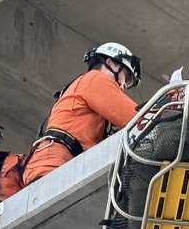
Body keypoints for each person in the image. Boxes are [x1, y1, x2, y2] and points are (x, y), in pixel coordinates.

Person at [23, 42, 141, 185]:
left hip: (57, 160)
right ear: (110, 62)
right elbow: (136, 120)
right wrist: (161, 108)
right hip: (56, 161)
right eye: (125, 76)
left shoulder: (86, 85)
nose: (123, 84)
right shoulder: (96, 79)